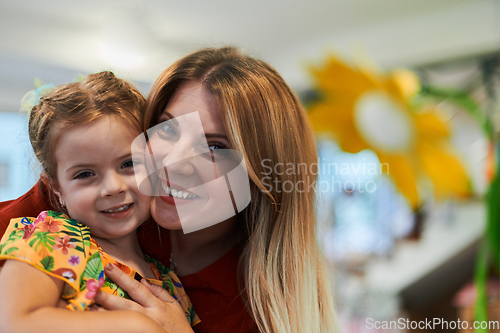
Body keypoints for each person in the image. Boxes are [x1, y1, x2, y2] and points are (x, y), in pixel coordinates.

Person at [0, 47, 338, 333]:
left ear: (261, 177)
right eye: (168, 128)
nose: (173, 162)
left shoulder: (258, 306)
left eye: (216, 147)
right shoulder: (74, 212)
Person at [0, 71, 199, 333]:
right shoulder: (51, 237)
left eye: (129, 164)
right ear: (56, 187)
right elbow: (15, 323)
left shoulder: (171, 284)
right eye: (85, 174)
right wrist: (137, 325)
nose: (112, 188)